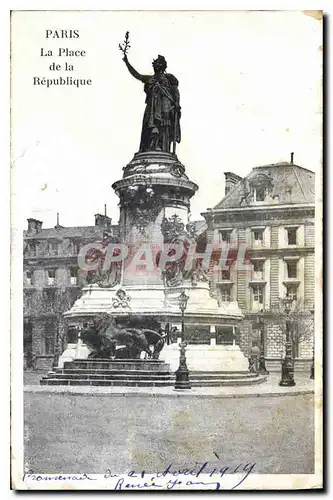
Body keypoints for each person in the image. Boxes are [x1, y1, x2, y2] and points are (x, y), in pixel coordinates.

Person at [122, 54, 181, 152]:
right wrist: (127, 62)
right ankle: (150, 147)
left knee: (163, 127)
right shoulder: (150, 78)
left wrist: (177, 104)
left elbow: (175, 92)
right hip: (151, 107)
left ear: (162, 65)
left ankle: (162, 148)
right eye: (154, 64)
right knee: (149, 127)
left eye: (157, 63)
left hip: (165, 106)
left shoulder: (169, 78)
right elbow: (137, 75)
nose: (155, 65)